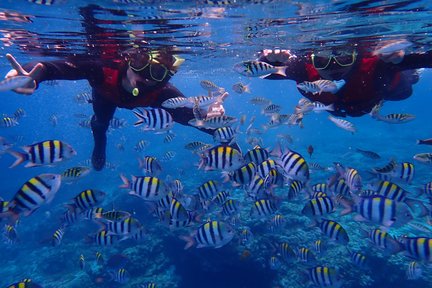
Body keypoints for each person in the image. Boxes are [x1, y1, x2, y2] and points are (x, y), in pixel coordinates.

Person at [3, 47, 215, 171]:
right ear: (130, 58)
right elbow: (53, 68)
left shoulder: (163, 93)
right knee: (100, 123)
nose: (144, 76)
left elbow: (195, 119)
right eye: (140, 62)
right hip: (105, 96)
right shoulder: (102, 67)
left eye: (158, 72)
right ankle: (99, 145)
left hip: (116, 96)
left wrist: (219, 128)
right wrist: (30, 77)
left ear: (164, 78)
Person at [257, 44, 432, 117]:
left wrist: (402, 58)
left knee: (408, 83)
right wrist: (268, 60)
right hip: (341, 107)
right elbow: (259, 72)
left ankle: (413, 72)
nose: (334, 67)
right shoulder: (300, 67)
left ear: (357, 56)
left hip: (390, 91)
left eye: (344, 57)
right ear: (310, 59)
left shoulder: (377, 63)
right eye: (322, 60)